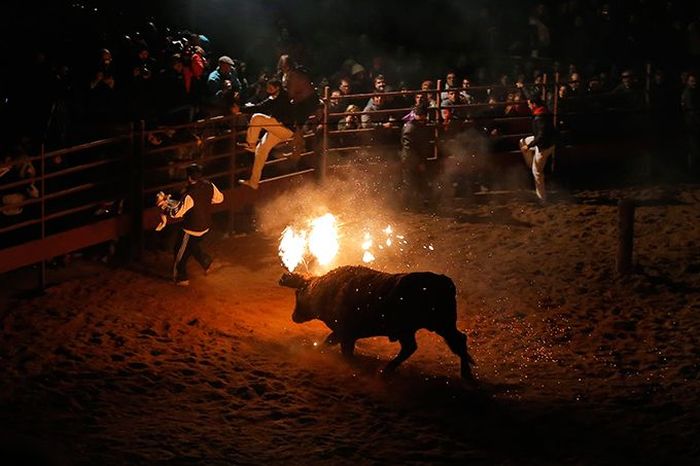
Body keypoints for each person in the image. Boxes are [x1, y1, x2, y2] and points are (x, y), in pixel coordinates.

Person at [237, 65, 320, 189]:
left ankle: (251, 143)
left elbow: (261, 108)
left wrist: (240, 109)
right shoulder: (273, 98)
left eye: (271, 87)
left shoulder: (282, 97)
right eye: (268, 88)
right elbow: (261, 106)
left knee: (257, 118)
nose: (268, 90)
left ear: (277, 88)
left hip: (285, 129)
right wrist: (241, 109)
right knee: (261, 150)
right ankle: (254, 181)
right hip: (279, 129)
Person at [158, 163, 224, 286]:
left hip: (191, 229)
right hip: (206, 227)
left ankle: (181, 277)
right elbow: (220, 199)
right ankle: (207, 262)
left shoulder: (190, 195)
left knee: (180, 251)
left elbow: (176, 213)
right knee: (192, 245)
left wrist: (164, 206)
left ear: (188, 178)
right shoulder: (209, 185)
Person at [519, 96, 556, 202]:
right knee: (522, 141)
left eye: (529, 104)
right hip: (547, 142)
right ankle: (530, 164)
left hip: (544, 146)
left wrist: (529, 146)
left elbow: (541, 136)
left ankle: (542, 198)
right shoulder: (543, 110)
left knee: (537, 172)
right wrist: (522, 89)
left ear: (534, 104)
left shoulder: (540, 117)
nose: (528, 106)